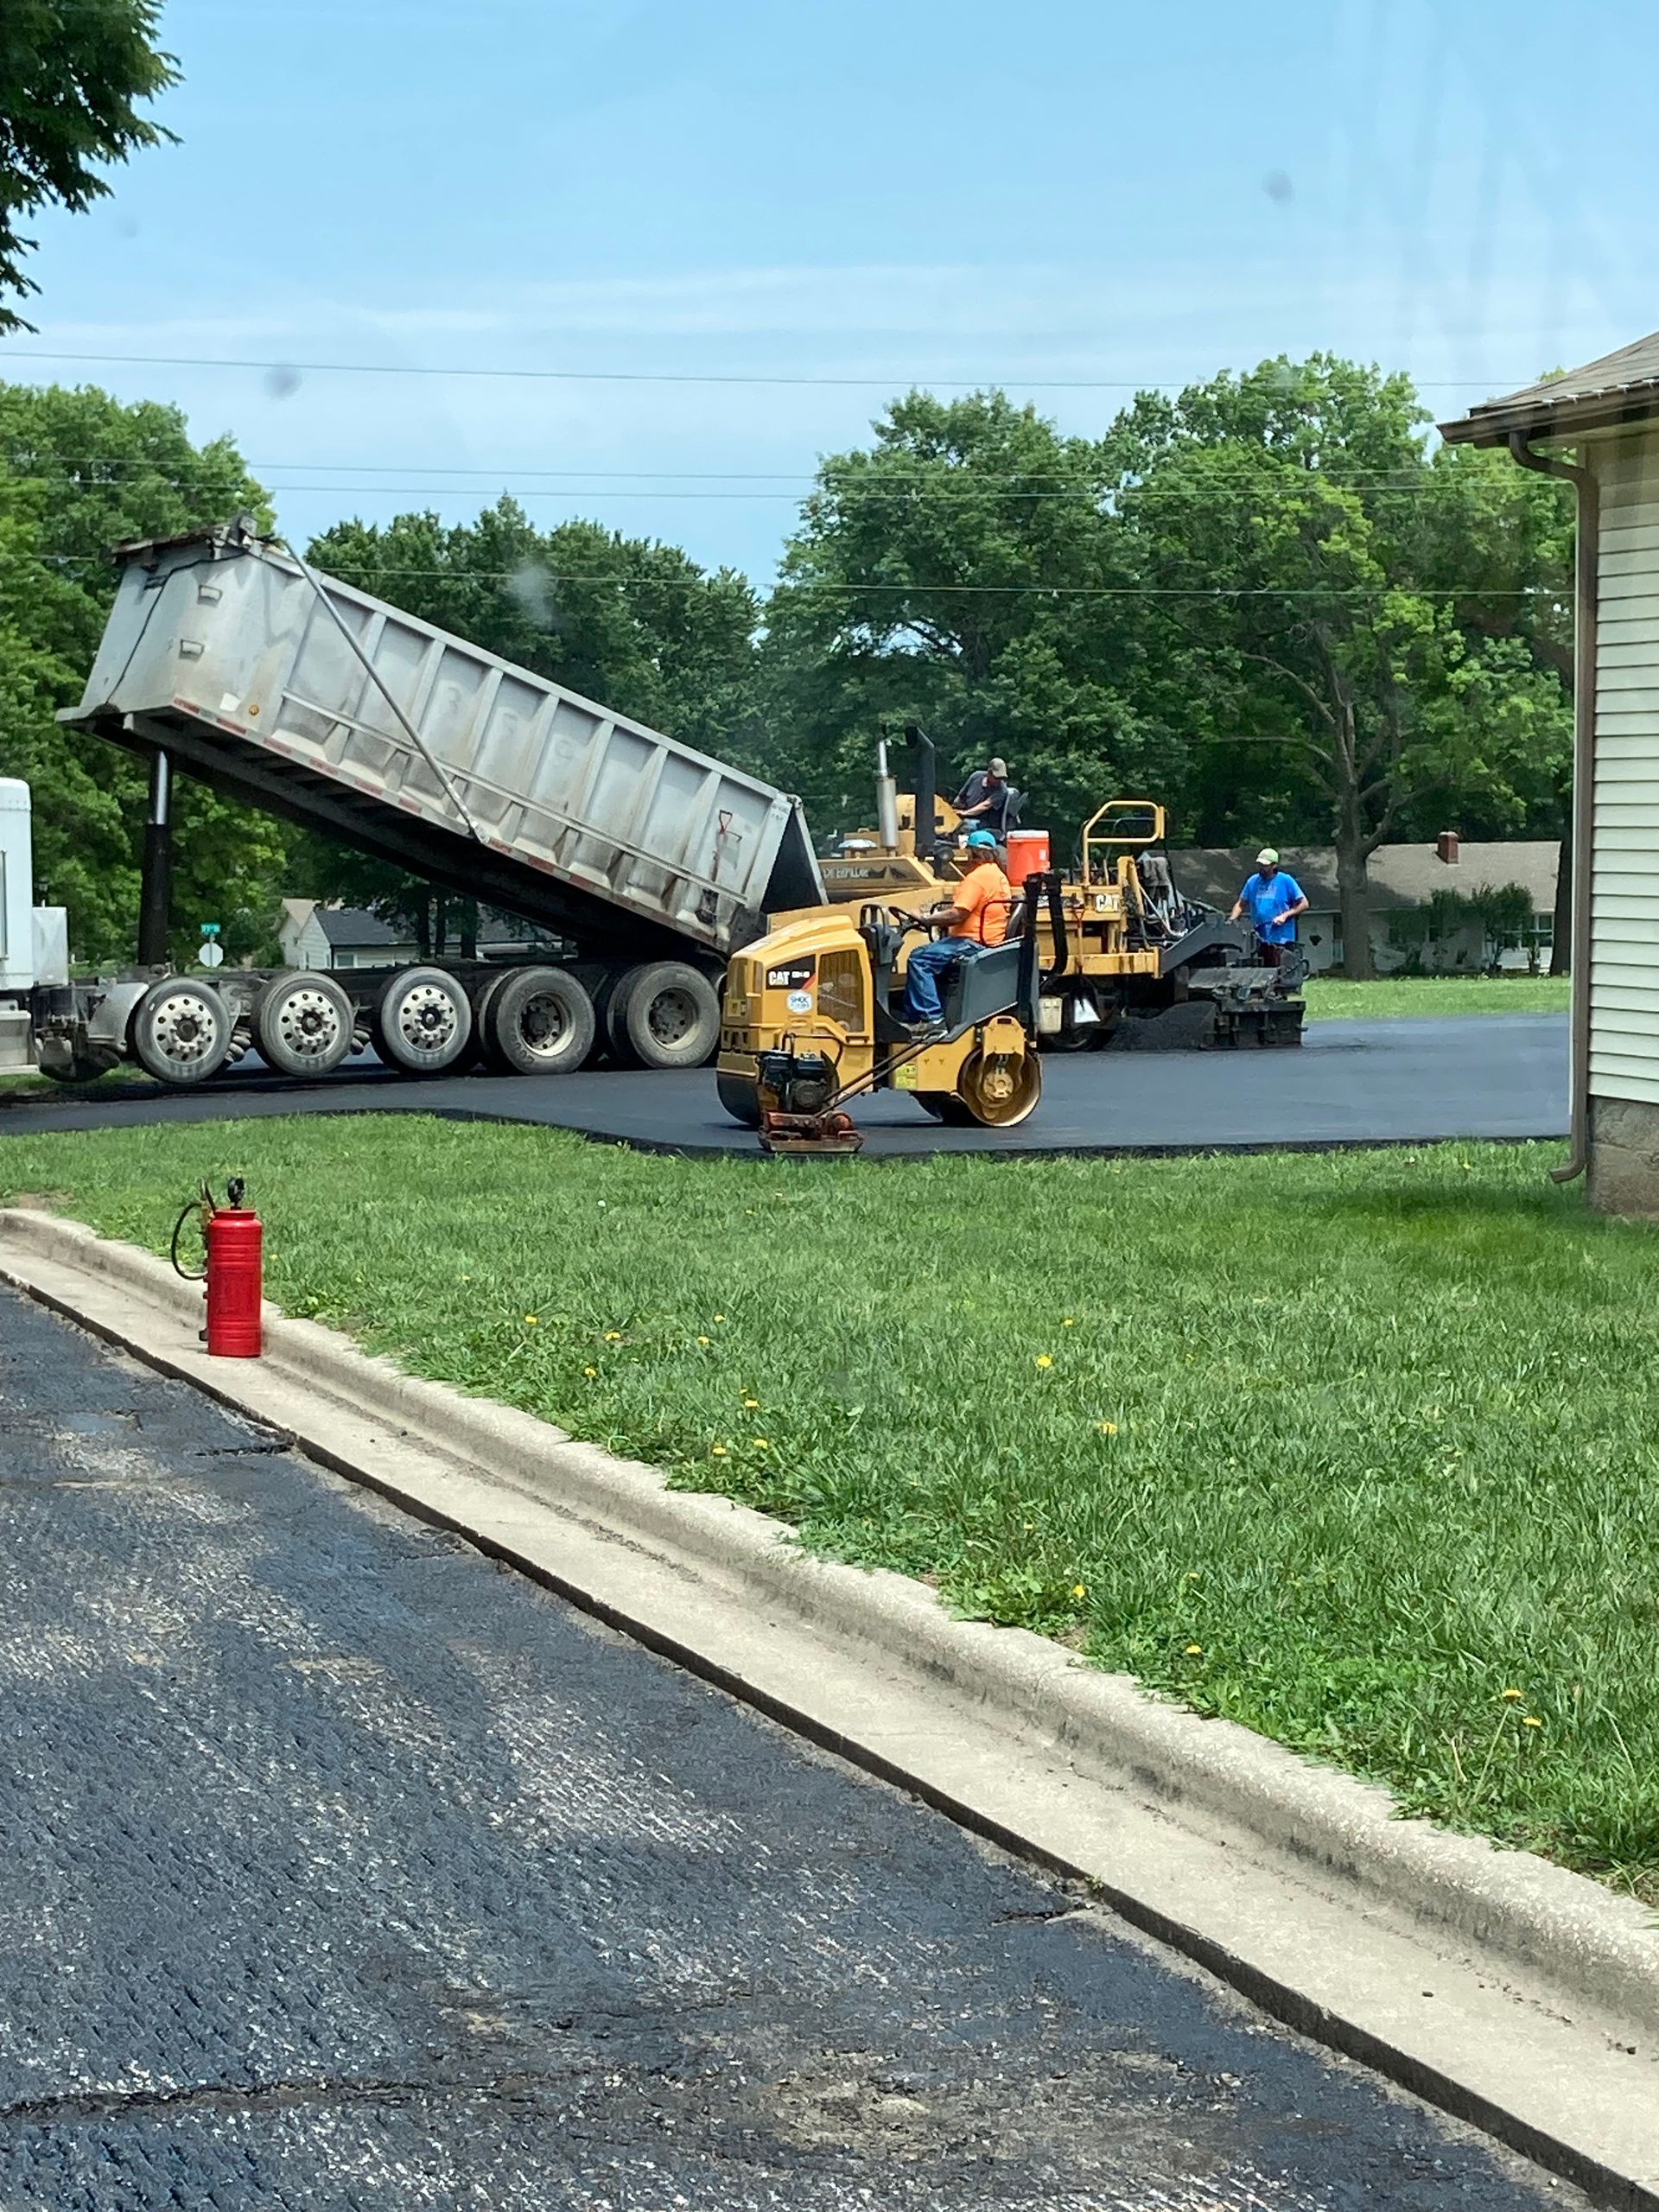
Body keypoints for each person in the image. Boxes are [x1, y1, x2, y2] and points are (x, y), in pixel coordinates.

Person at [901, 828, 1012, 1039]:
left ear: (973, 853)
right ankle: (925, 1015)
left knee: (919, 959)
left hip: (971, 943)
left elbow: (958, 913)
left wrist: (925, 918)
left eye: (968, 852)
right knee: (930, 956)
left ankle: (932, 1019)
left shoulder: (977, 878)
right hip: (986, 940)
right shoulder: (998, 876)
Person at [1230, 847, 1308, 966]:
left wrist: (1285, 916)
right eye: (1260, 864)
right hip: (1257, 938)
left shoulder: (1285, 880)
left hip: (1281, 938)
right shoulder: (1253, 881)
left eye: (1265, 865)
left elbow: (1304, 904)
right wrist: (1232, 920)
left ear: (1274, 865)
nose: (1261, 868)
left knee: (1279, 973)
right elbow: (1241, 903)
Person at [953, 756, 1016, 842]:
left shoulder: (1001, 791)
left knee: (966, 825)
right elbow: (961, 797)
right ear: (989, 773)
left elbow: (984, 806)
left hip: (985, 823)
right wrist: (952, 810)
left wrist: (965, 813)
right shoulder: (976, 776)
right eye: (996, 778)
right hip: (965, 816)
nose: (998, 781)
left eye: (1001, 778)